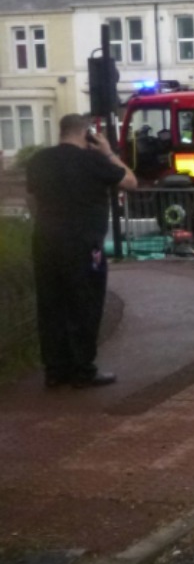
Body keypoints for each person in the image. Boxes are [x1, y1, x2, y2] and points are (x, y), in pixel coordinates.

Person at [25, 114, 138, 388]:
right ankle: (82, 369)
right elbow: (130, 182)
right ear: (86, 133)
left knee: (51, 304)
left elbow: (31, 198)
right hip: (84, 243)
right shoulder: (94, 161)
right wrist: (109, 152)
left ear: (60, 131)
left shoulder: (38, 161)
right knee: (85, 303)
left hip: (46, 241)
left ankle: (55, 370)